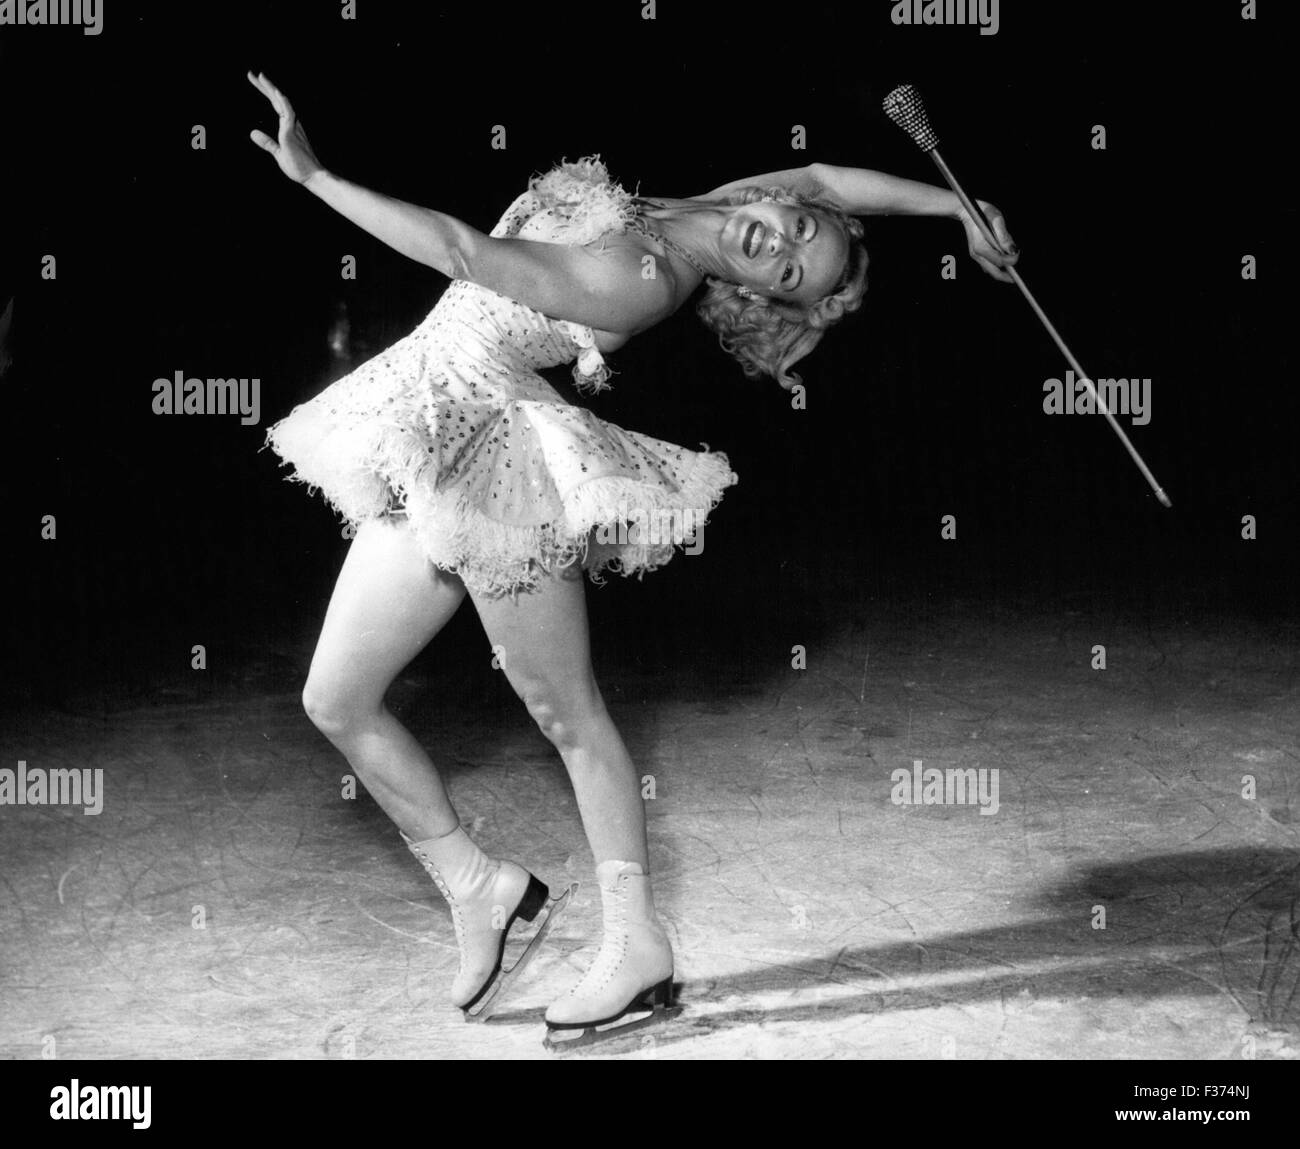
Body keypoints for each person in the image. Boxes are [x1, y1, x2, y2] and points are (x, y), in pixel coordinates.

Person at [246, 71, 1018, 1044]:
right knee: (337, 699)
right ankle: (477, 885)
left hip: (502, 467)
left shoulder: (645, 277)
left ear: (748, 294)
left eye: (786, 273)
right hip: (432, 436)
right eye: (796, 231)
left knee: (564, 715)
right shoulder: (716, 208)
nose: (777, 244)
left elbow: (460, 249)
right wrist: (957, 207)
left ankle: (637, 948)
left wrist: (315, 179)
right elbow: (829, 174)